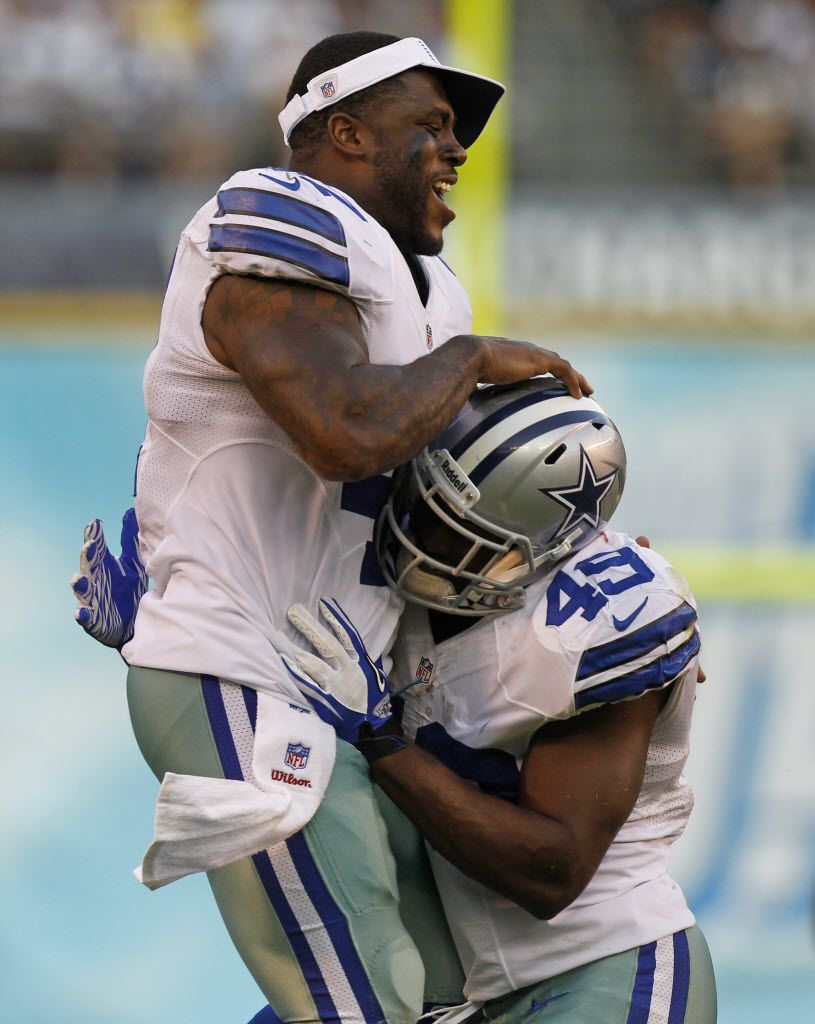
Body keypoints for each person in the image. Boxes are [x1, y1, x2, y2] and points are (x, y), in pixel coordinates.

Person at [71, 30, 593, 1024]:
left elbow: (430, 519)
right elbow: (339, 428)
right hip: (247, 669)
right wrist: (475, 362)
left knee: (451, 996)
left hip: (348, 693)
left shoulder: (433, 291)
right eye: (429, 125)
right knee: (367, 1004)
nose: (456, 150)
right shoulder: (277, 214)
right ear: (343, 134)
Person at [282, 378, 718, 1024]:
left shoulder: (594, 629)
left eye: (453, 528)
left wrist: (383, 744)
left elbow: (552, 872)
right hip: (476, 988)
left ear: (540, 541)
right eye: (423, 507)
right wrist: (172, 641)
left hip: (608, 966)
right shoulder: (423, 598)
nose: (418, 539)